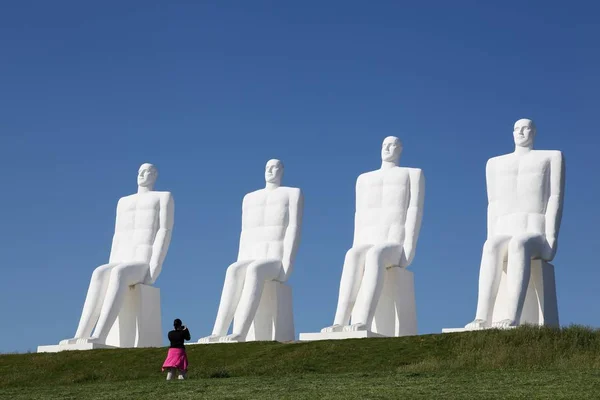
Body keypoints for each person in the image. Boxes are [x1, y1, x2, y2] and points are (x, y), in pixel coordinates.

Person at [198, 159, 304, 343]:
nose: (271, 171)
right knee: (233, 270)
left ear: (282, 171)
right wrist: (240, 262)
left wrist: (288, 261)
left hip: (274, 259)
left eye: (275, 167)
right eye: (267, 168)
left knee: (255, 270)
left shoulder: (292, 193)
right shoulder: (249, 198)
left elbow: (294, 227)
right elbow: (245, 233)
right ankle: (218, 331)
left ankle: (240, 332)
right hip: (251, 257)